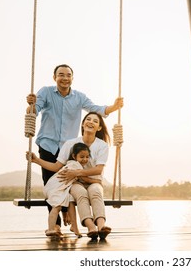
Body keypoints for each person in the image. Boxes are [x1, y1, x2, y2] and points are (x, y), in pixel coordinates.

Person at [26, 64, 123, 231]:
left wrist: (114, 107)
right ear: (54, 77)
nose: (65, 78)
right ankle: (55, 226)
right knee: (52, 185)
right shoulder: (46, 92)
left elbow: (96, 109)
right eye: (61, 75)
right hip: (47, 144)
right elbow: (33, 111)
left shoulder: (79, 97)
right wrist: (31, 104)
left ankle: (69, 215)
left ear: (72, 78)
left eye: (68, 75)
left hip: (68, 147)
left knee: (70, 182)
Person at [28, 112, 112, 240]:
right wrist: (36, 160)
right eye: (88, 119)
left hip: (94, 181)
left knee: (95, 192)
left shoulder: (102, 145)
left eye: (95, 121)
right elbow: (57, 166)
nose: (91, 122)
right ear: (83, 124)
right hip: (75, 182)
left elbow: (98, 170)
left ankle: (101, 227)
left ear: (99, 128)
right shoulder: (70, 144)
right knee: (81, 194)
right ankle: (91, 228)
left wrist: (77, 172)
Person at [42, 142, 91, 238]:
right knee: (57, 207)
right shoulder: (76, 166)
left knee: (71, 200)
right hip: (55, 188)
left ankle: (74, 227)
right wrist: (96, 181)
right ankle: (51, 228)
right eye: (82, 157)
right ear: (74, 156)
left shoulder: (72, 164)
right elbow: (83, 179)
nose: (85, 159)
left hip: (59, 187)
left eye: (87, 157)